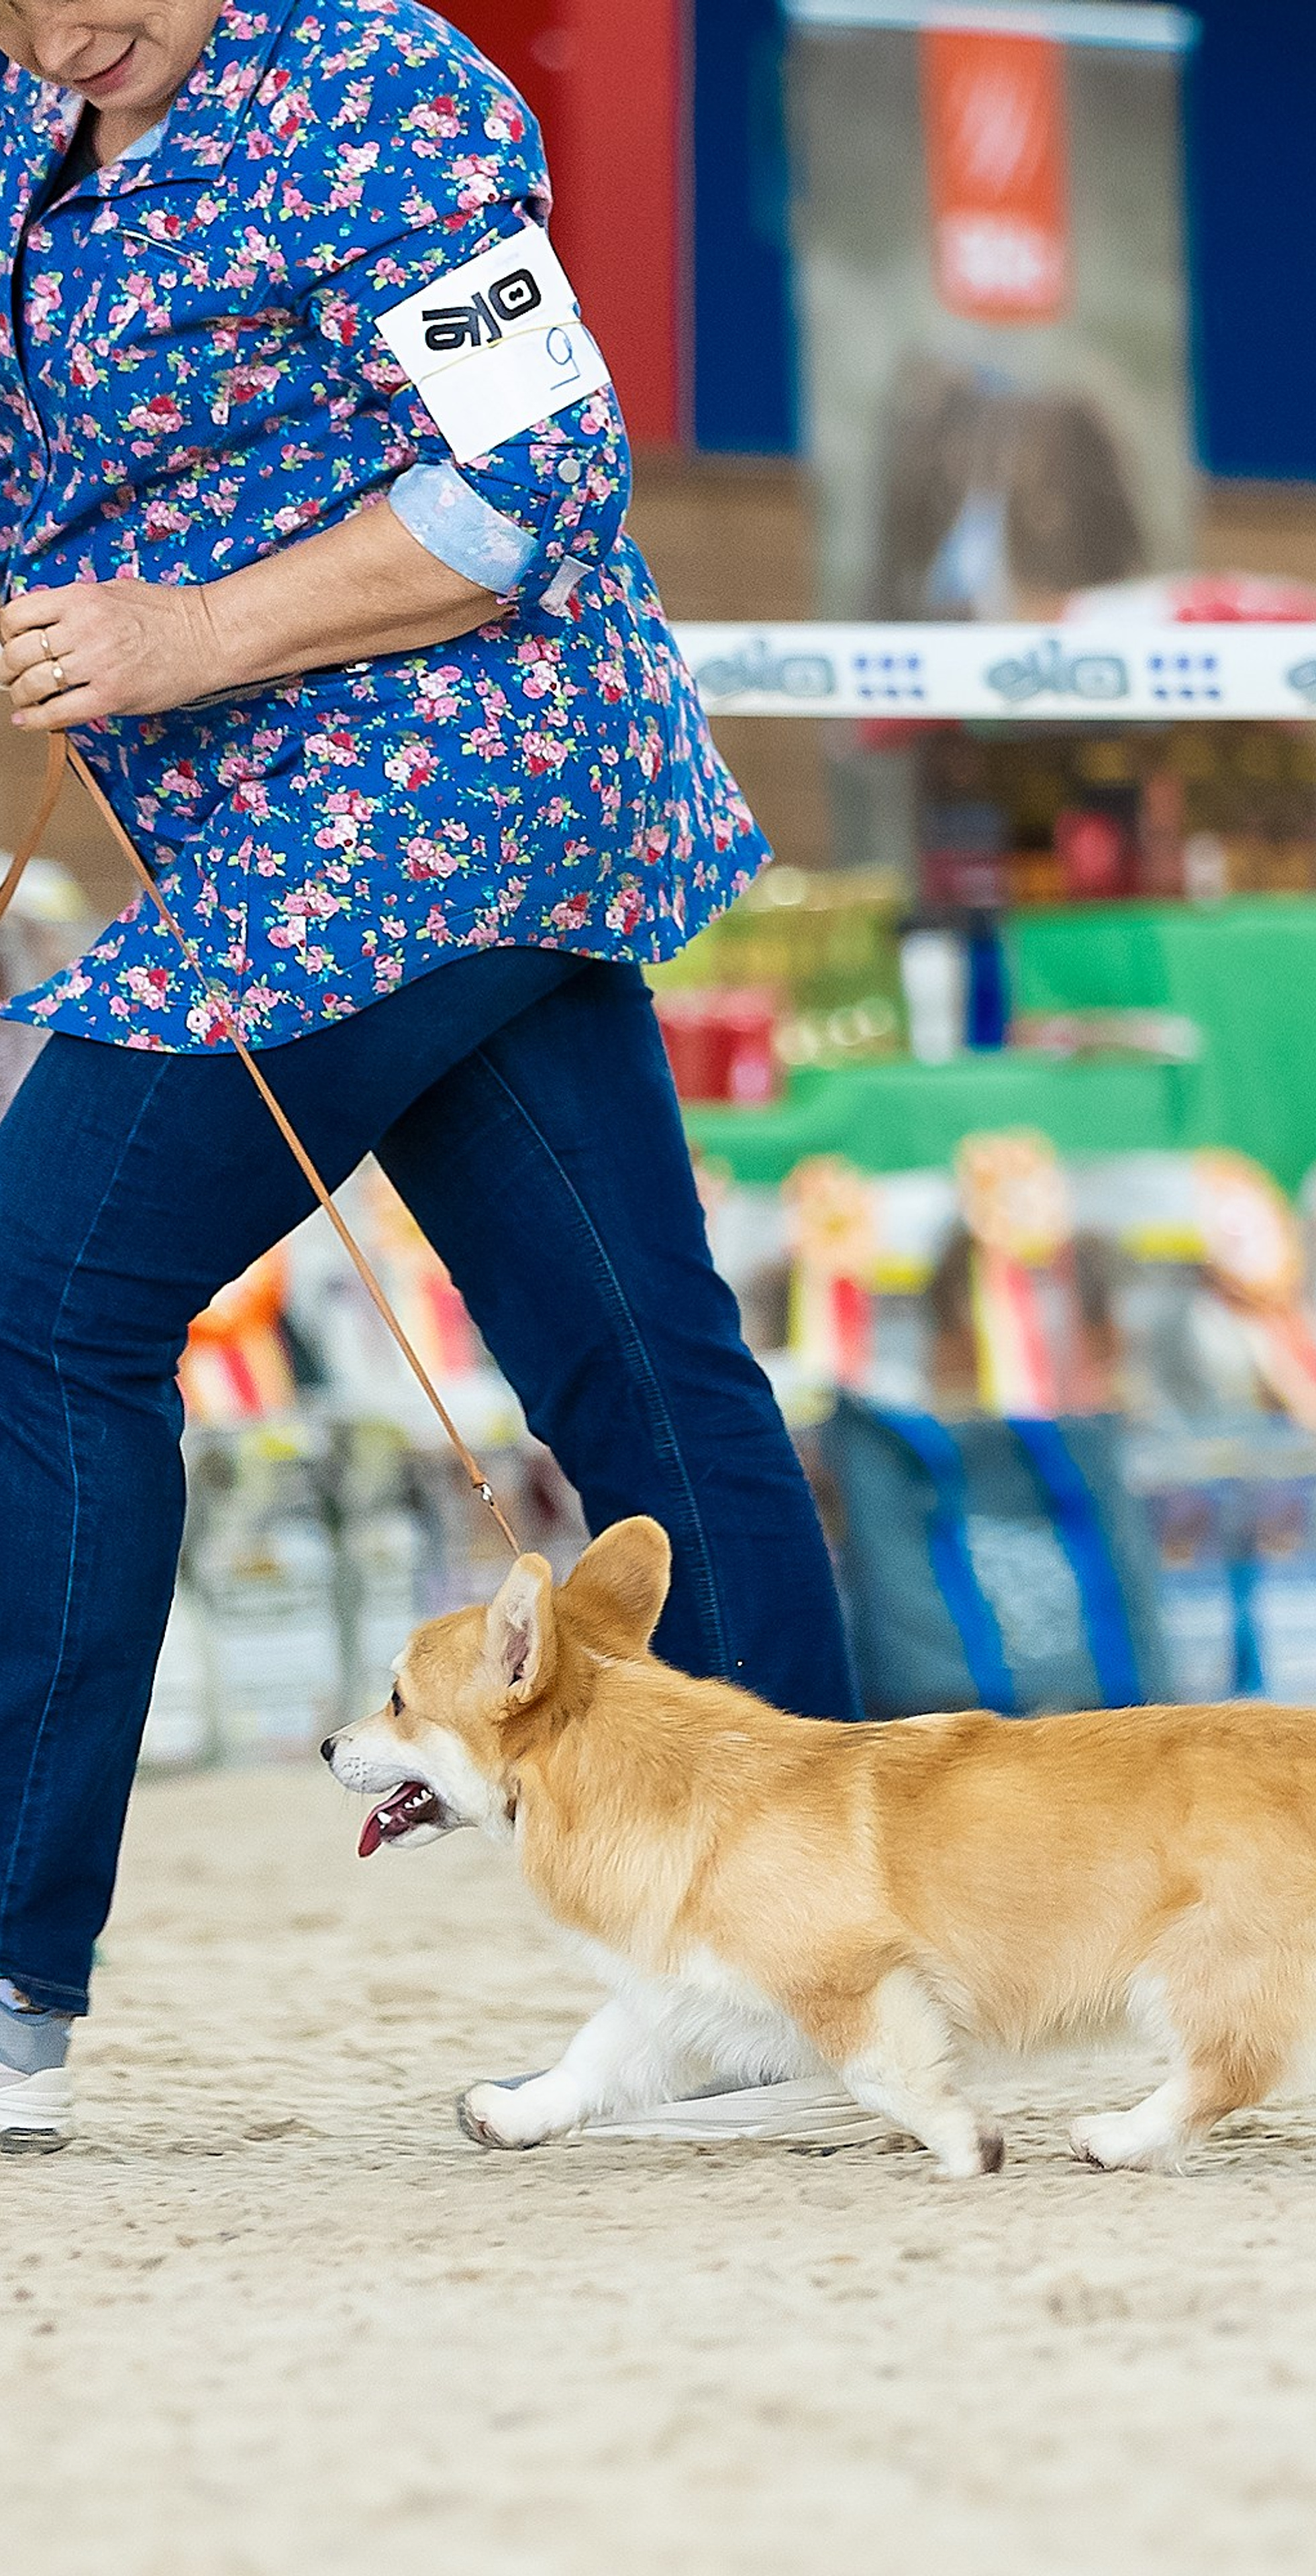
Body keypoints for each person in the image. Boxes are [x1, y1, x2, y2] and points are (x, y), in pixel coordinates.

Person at [0, 0, 862, 2156]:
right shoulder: (30, 128)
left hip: (444, 793)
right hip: (309, 829)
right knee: (640, 1360)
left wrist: (190, 634)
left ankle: (8, 1968)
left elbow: (540, 479)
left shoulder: (384, 91)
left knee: (46, 1294)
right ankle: (810, 1962)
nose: (58, 27)